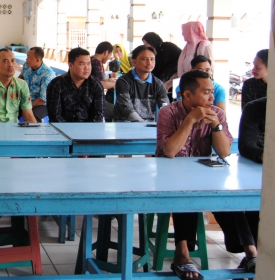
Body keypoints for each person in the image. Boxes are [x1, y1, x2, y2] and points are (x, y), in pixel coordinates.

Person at [155, 70, 232, 279]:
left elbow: (224, 152)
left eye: (212, 92)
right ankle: (182, 253)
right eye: (206, 93)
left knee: (230, 196)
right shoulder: (168, 113)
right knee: (184, 191)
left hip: (203, 175)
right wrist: (189, 120)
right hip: (169, 176)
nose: (212, 98)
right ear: (188, 95)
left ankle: (249, 251)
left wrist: (216, 125)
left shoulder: (216, 113)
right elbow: (170, 152)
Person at [213, 97, 264, 275]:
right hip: (257, 173)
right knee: (230, 193)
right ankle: (251, 252)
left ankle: (253, 255)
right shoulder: (255, 108)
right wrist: (264, 155)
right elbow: (246, 145)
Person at [47, 47, 104, 122]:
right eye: (82, 64)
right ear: (70, 65)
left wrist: (87, 128)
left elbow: (98, 115)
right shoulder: (56, 85)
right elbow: (55, 116)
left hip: (89, 128)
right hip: (63, 128)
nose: (87, 68)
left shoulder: (96, 85)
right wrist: (68, 129)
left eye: (88, 63)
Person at [113, 45, 169, 122]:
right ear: (134, 62)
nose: (149, 63)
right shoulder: (123, 81)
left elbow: (165, 108)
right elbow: (127, 108)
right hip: (125, 124)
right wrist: (142, 124)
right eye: (144, 59)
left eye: (152, 59)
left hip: (148, 125)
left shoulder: (158, 84)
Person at [0, 48, 35, 123]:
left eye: (12, 60)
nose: (10, 64)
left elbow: (28, 115)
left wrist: (36, 129)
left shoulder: (22, 85)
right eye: (5, 61)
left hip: (12, 128)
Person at [19, 47, 56, 121]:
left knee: (32, 116)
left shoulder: (47, 75)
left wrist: (27, 106)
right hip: (26, 99)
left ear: (37, 60)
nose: (26, 59)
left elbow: (43, 99)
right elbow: (21, 77)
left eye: (29, 57)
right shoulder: (27, 66)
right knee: (9, 109)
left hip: (41, 104)